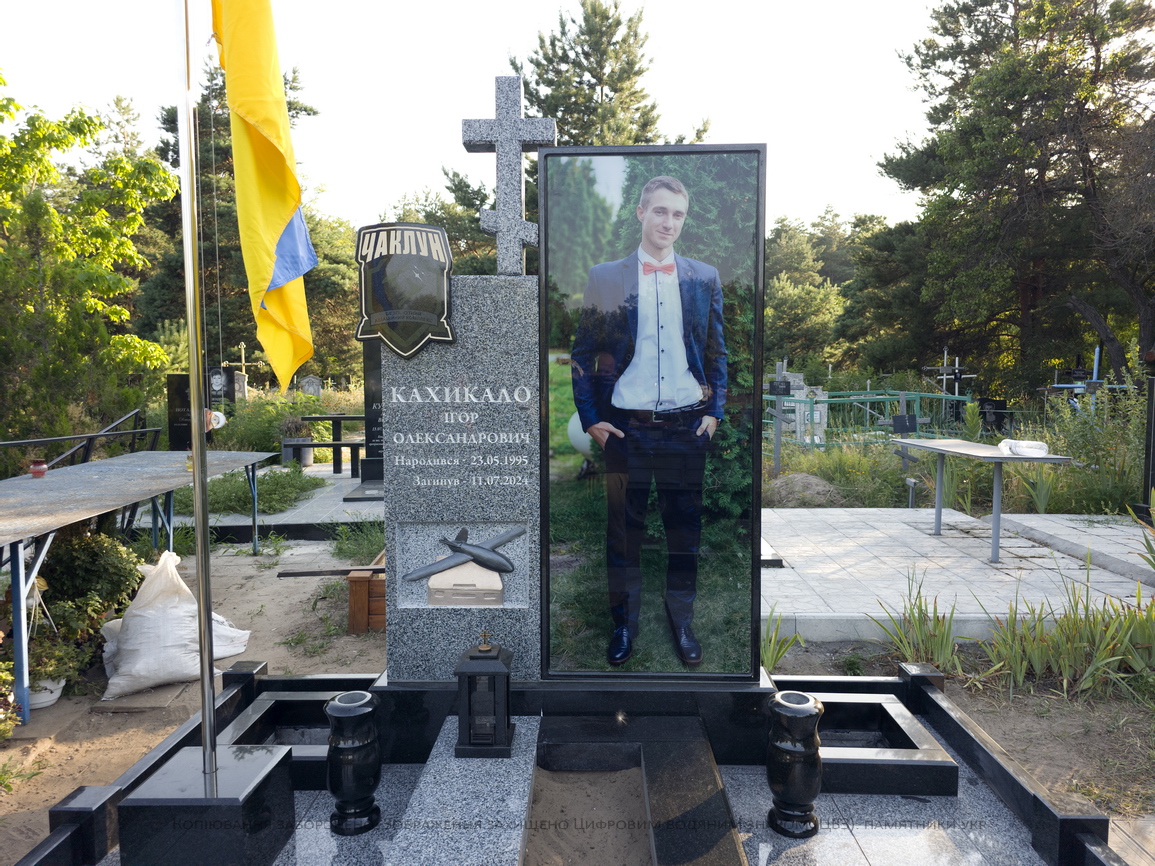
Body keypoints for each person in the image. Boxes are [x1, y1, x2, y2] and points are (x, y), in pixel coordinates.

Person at [570, 175, 727, 667]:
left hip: (686, 428)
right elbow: (582, 353)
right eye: (660, 211)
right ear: (641, 213)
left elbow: (717, 351)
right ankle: (624, 624)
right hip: (626, 430)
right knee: (623, 533)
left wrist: (715, 411)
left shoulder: (703, 277)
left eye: (678, 214)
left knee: (684, 533)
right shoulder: (606, 277)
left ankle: (682, 619)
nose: (669, 222)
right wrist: (591, 419)